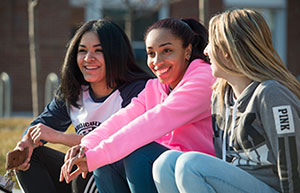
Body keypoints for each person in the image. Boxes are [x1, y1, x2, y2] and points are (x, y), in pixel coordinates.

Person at [152, 8, 300, 193]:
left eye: (211, 44)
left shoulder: (271, 94)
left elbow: (292, 161)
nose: (205, 51)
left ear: (228, 50)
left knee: (190, 165)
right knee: (165, 163)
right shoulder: (220, 95)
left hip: (272, 188)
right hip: (234, 183)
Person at [59, 18, 215, 193]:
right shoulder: (156, 86)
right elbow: (124, 117)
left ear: (187, 51)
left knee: (136, 154)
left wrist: (98, 154)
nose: (157, 61)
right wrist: (87, 146)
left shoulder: (203, 78)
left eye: (167, 51)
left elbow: (154, 121)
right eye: (151, 53)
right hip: (167, 165)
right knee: (105, 162)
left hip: (198, 170)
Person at [13, 19, 152, 193]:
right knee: (32, 158)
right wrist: (26, 143)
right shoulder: (74, 91)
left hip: (118, 177)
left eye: (98, 51)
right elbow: (41, 126)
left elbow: (120, 141)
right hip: (85, 173)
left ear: (116, 54)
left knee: (87, 166)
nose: (88, 58)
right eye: (82, 51)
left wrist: (60, 137)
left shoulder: (138, 90)